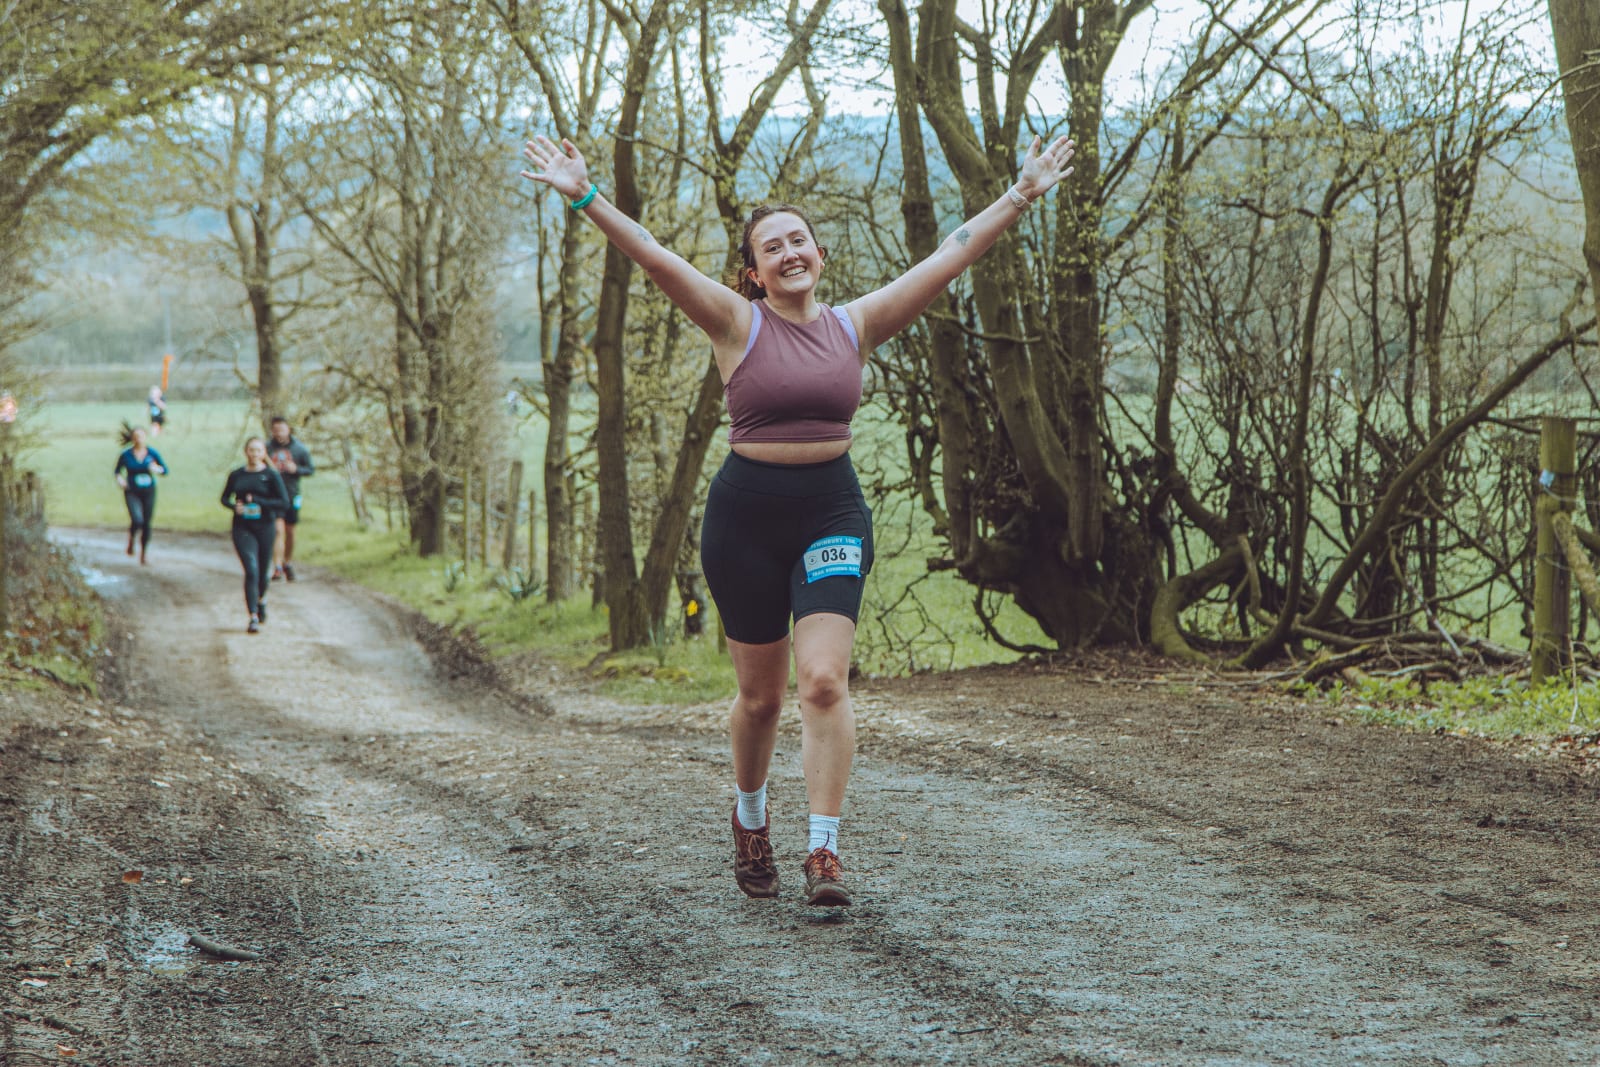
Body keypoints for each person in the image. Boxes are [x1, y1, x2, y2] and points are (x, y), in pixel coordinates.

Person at [521, 128, 1075, 906]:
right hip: (745, 519)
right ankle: (751, 821)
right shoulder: (733, 323)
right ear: (752, 272)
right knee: (762, 699)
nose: (788, 252)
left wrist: (1019, 194)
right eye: (771, 247)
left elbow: (949, 255)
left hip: (830, 512)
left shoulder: (855, 326)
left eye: (799, 240)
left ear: (818, 255)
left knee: (822, 681)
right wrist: (584, 195)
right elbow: (652, 255)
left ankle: (823, 852)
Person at [220, 437, 290, 633]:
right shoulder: (237, 474)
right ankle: (252, 616)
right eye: (251, 450)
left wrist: (260, 502)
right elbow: (224, 498)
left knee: (262, 571)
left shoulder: (271, 475)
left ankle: (262, 600)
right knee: (251, 570)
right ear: (246, 452)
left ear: (263, 453)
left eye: (258, 450)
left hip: (265, 526)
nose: (254, 454)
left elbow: (283, 502)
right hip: (243, 528)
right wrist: (235, 507)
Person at [266, 416, 314, 581]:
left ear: (288, 429)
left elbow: (310, 469)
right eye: (276, 430)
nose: (279, 433)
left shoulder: (299, 449)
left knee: (290, 531)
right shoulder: (266, 449)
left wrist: (296, 469)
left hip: (292, 494)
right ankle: (277, 566)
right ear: (272, 431)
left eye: (282, 429)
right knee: (278, 530)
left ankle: (287, 562)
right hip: (272, 496)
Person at [113, 424, 168, 565]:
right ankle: (131, 539)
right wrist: (120, 480)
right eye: (136, 437)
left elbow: (165, 470)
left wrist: (156, 469)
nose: (138, 439)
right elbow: (117, 471)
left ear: (145, 437)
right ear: (132, 438)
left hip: (149, 491)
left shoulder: (152, 453)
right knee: (137, 519)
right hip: (132, 490)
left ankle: (144, 554)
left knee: (146, 523)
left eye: (141, 436)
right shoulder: (126, 455)